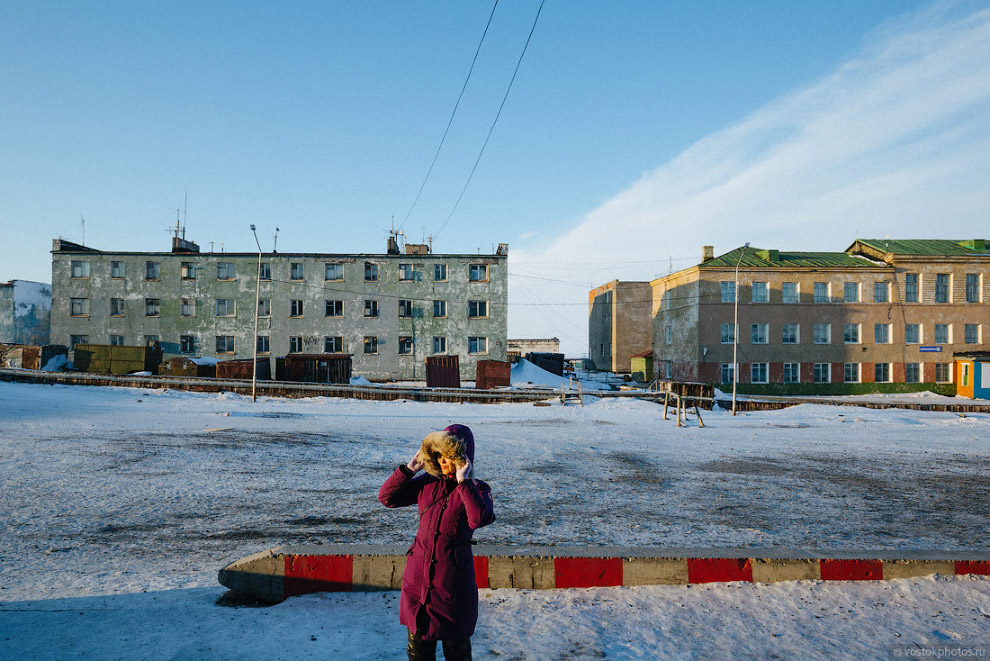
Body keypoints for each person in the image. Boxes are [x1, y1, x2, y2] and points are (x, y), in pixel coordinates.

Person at [378, 424, 495, 661]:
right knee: (418, 652)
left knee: (457, 651)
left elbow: (478, 519)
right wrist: (408, 470)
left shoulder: (478, 488)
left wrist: (463, 483)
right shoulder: (427, 483)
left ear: (463, 458)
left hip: (453, 586)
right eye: (439, 454)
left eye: (449, 455)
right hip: (418, 583)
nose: (443, 460)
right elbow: (387, 498)